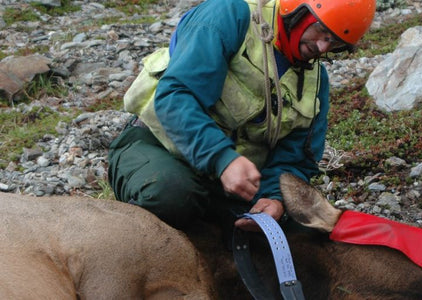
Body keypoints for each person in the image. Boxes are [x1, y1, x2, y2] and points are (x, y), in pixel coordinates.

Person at [108, 0, 375, 232]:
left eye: (335, 42)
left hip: (230, 181)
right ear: (298, 9)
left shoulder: (317, 83)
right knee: (172, 197)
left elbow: (297, 157)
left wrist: (274, 199)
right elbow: (177, 97)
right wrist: (222, 159)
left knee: (298, 232)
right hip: (156, 147)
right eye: (321, 30)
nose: (321, 46)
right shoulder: (231, 15)